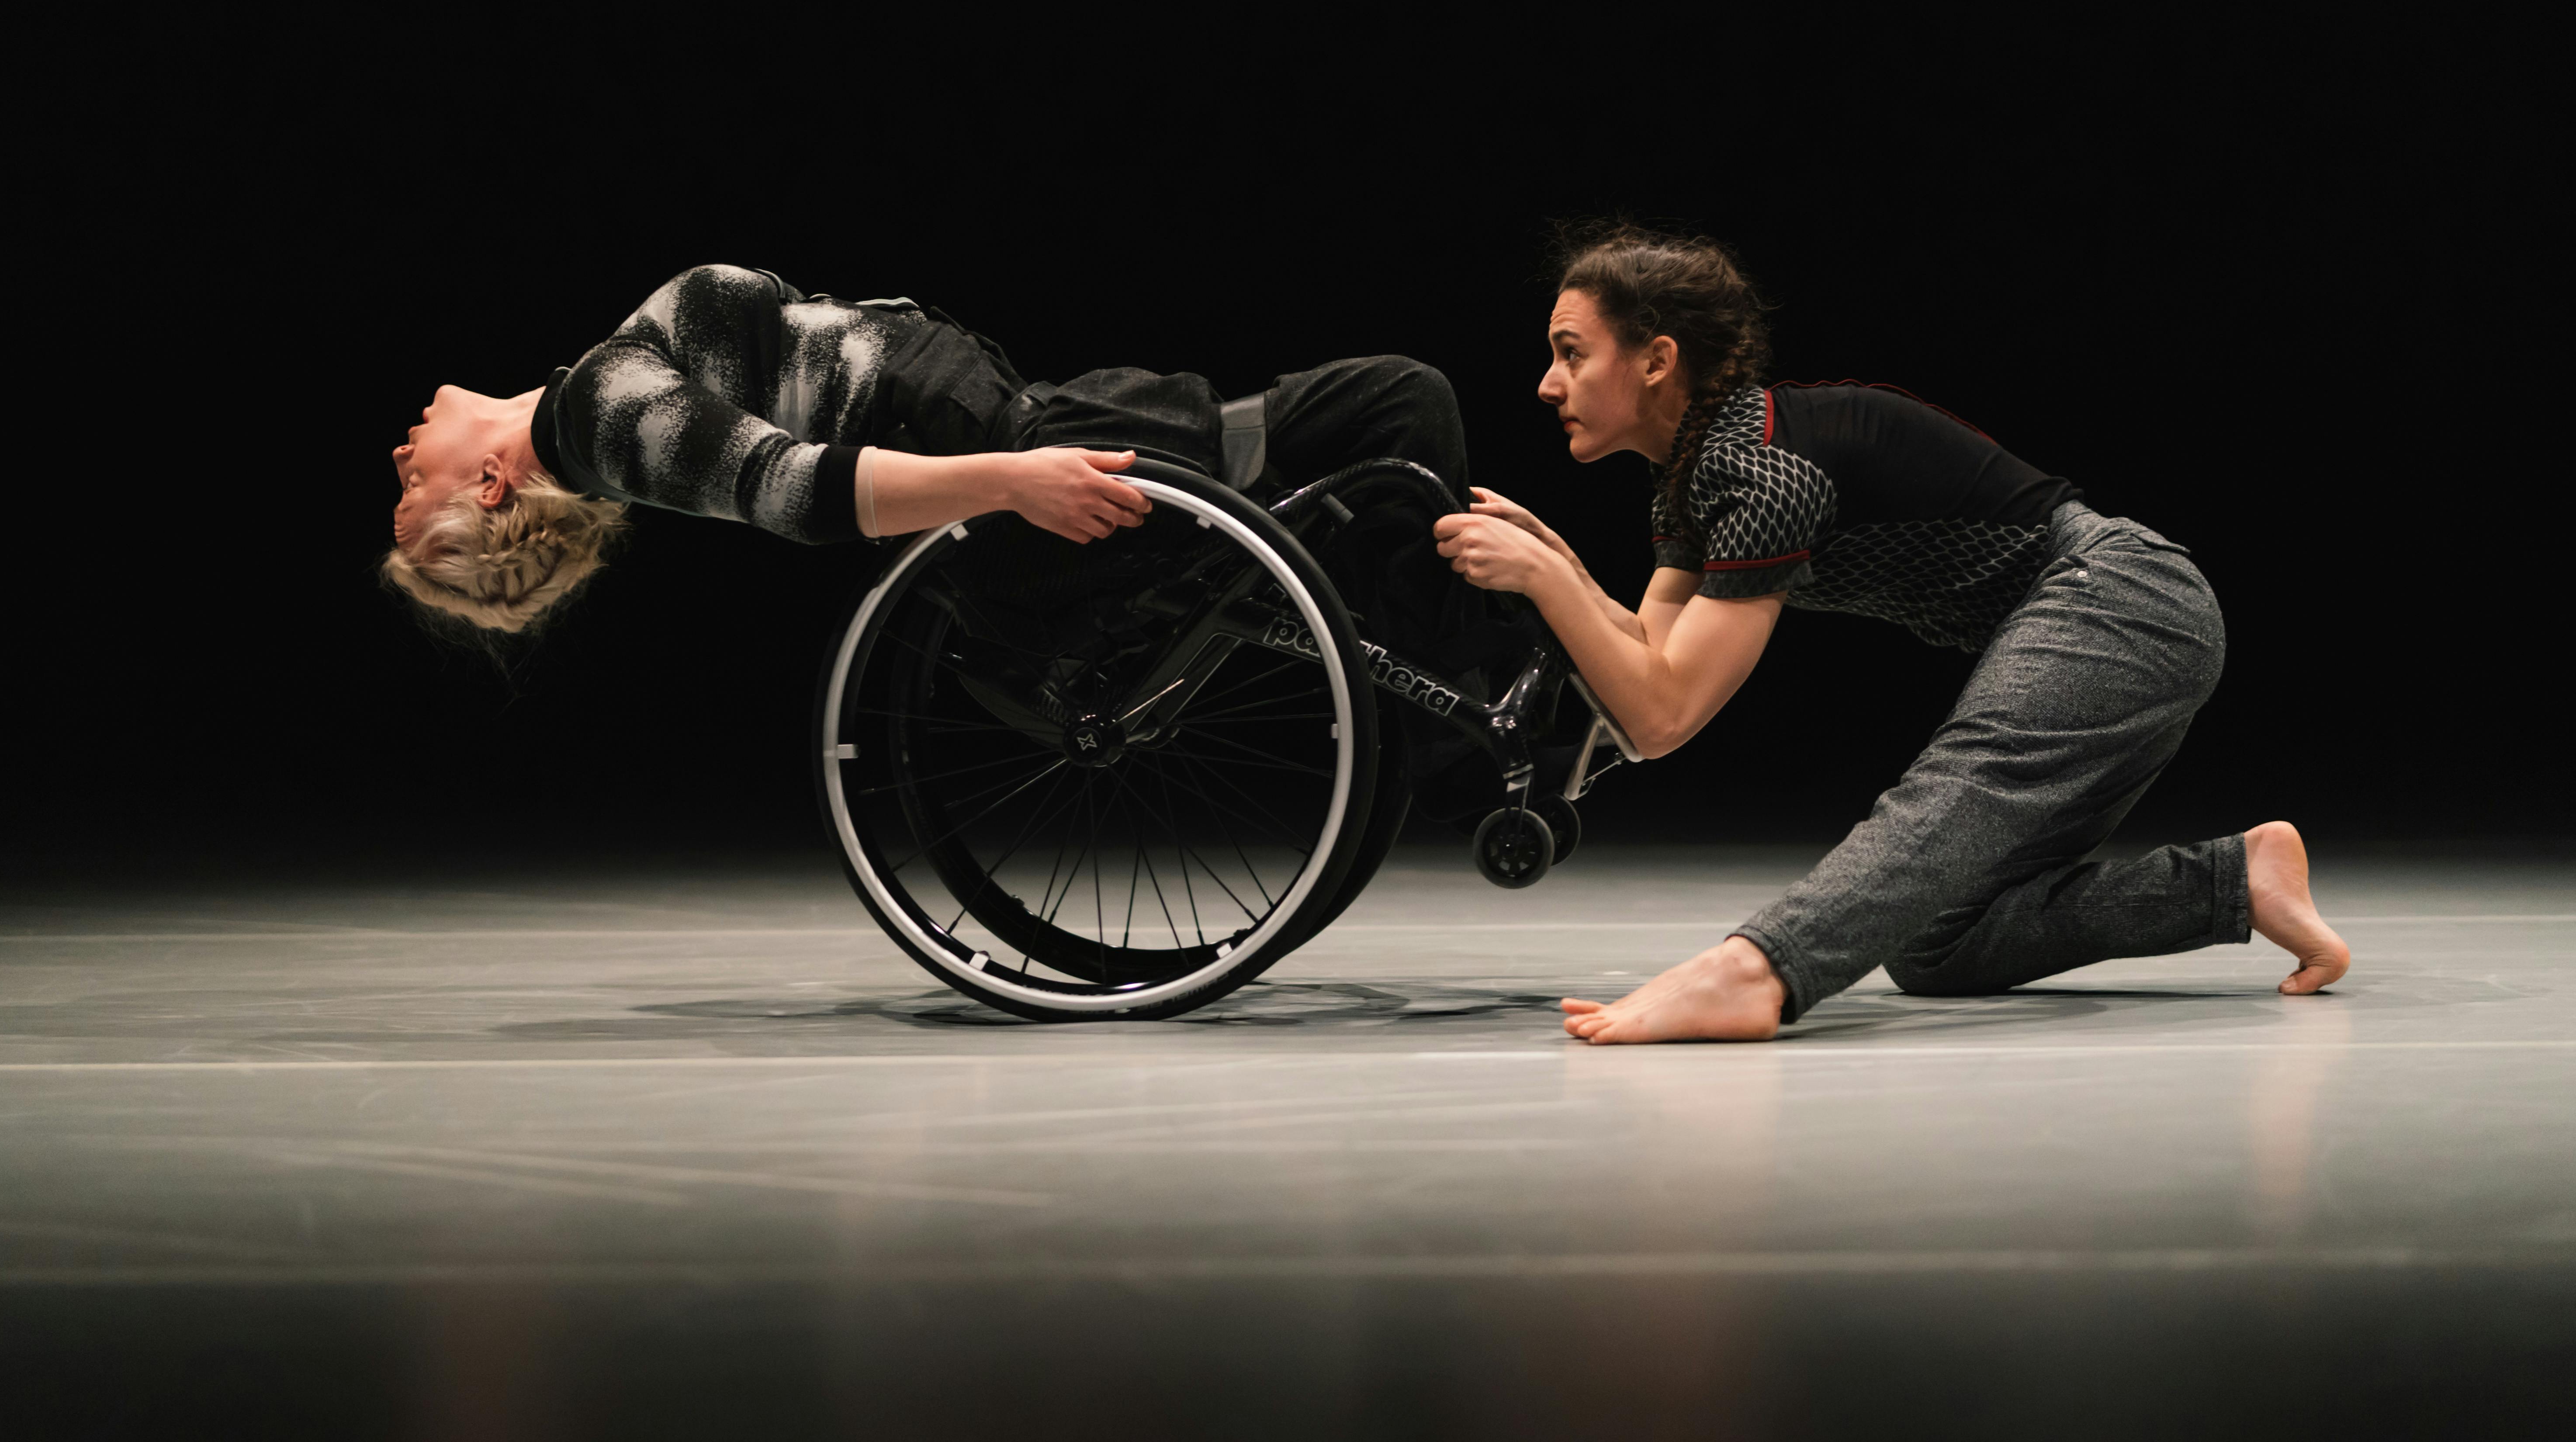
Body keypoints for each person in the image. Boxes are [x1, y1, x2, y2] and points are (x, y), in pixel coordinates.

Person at [1430, 227, 2351, 1043]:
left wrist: (1548, 577)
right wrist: (1560, 562)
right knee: (1936, 943)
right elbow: (1644, 673)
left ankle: (1755, 971)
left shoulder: (1762, 473)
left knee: (1956, 786)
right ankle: (2234, 880)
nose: (1548, 383)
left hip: (2121, 593)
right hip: (2101, 612)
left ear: (1657, 358)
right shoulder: (1695, 479)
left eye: (1570, 353)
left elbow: (1665, 713)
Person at [385, 262, 1499, 807]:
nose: (396, 457)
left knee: (1391, 434)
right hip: (1016, 438)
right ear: (489, 487)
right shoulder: (604, 423)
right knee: (1400, 405)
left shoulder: (597, 401)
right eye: (406, 492)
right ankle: (1463, 731)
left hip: (1011, 415)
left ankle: (1459, 710)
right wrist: (1010, 480)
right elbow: (804, 494)